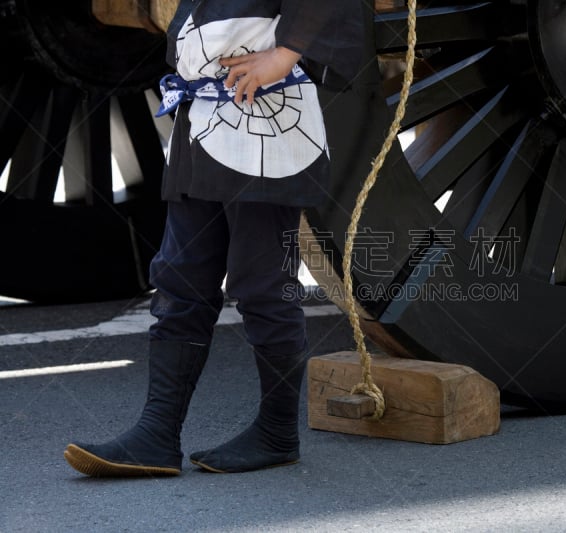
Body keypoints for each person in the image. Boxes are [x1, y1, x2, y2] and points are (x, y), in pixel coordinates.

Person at [63, 0, 363, 476]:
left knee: (262, 282)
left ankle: (277, 431)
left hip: (268, 123)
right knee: (180, 277)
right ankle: (157, 432)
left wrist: (285, 54)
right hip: (202, 118)